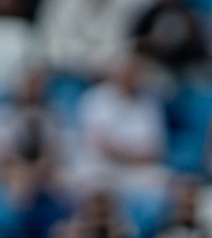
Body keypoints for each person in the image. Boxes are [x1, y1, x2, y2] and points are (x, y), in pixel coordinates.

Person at [72, 56, 170, 198]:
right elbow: (100, 145)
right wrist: (132, 151)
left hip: (136, 170)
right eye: (128, 73)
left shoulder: (149, 104)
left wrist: (121, 150)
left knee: (165, 183)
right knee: (95, 188)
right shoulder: (95, 98)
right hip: (101, 168)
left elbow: (154, 150)